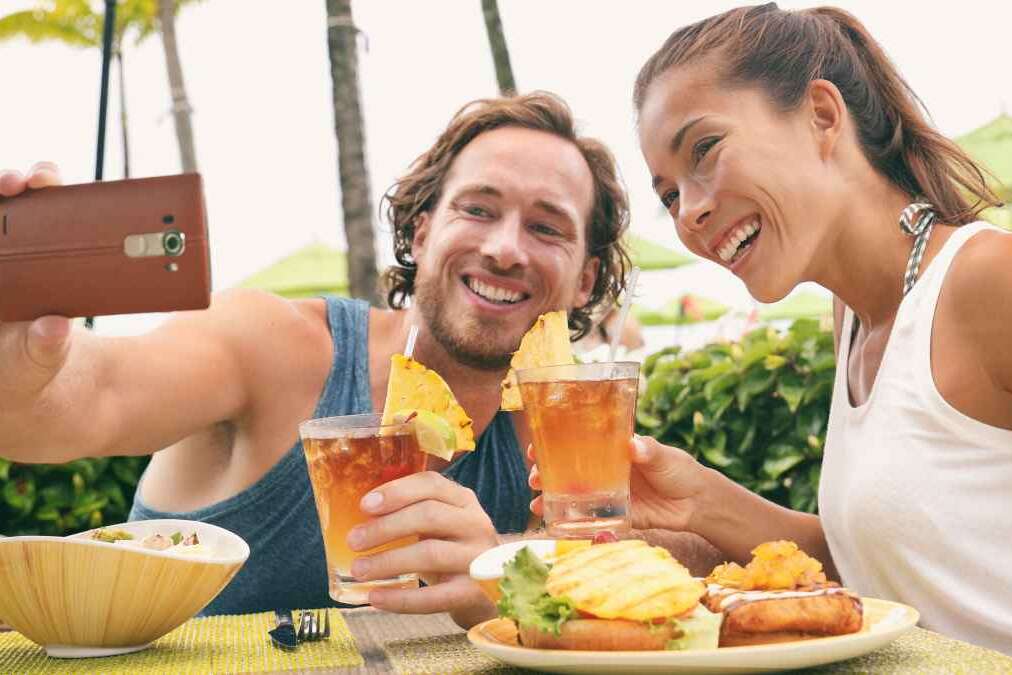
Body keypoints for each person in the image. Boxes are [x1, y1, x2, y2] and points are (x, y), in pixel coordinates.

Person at [0, 92, 642, 627]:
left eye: (547, 227)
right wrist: (25, 352)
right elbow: (83, 401)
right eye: (478, 209)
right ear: (422, 233)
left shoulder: (563, 414)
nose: (505, 248)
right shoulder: (275, 343)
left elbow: (665, 548)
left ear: (585, 281)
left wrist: (503, 562)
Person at [536, 3, 1012, 654]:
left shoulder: (988, 281)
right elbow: (884, 575)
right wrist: (698, 498)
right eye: (670, 195)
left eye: (705, 149)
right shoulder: (855, 319)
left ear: (821, 114)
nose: (692, 212)